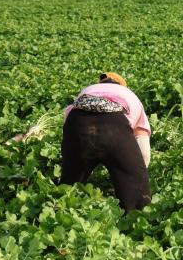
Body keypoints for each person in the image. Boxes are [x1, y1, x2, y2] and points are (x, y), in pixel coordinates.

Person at [61, 73, 152, 213]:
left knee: (68, 185)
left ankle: (60, 211)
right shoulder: (128, 94)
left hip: (77, 121)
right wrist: (136, 170)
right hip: (113, 124)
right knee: (136, 194)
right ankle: (136, 220)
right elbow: (143, 144)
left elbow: (67, 118)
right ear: (122, 85)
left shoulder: (88, 90)